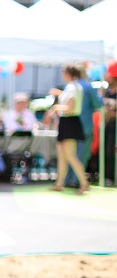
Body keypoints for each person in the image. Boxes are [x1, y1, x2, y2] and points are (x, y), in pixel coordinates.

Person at [48, 64, 91, 194]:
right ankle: (59, 184)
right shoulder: (73, 86)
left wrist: (55, 108)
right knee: (62, 155)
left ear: (68, 73)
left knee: (70, 156)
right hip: (68, 123)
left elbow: (70, 108)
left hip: (70, 122)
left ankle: (84, 183)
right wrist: (60, 94)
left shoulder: (72, 87)